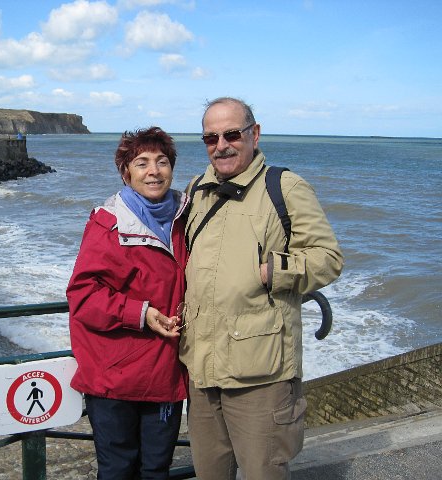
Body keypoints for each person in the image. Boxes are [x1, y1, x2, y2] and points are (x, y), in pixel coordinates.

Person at [180, 97, 344, 480]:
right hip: (202, 369)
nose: (221, 145)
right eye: (210, 137)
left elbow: (328, 257)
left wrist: (277, 269)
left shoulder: (284, 187)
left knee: (262, 473)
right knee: (209, 474)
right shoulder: (197, 189)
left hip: (261, 374)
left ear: (254, 134)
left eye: (231, 134)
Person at [67, 126, 189, 479]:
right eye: (142, 163)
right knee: (119, 469)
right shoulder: (108, 224)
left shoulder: (185, 218)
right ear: (126, 172)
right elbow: (83, 296)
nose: (154, 171)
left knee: (156, 468)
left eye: (162, 162)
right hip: (114, 374)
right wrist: (141, 313)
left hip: (164, 370)